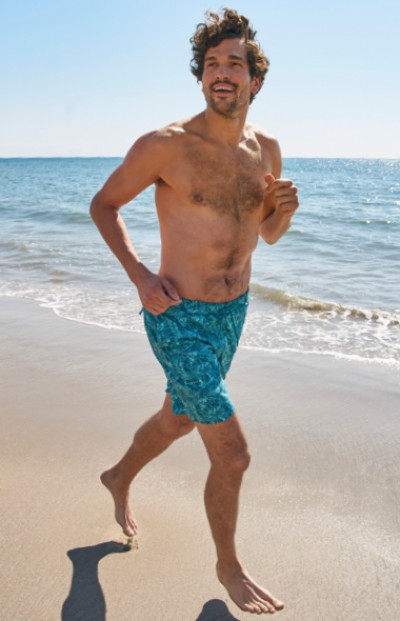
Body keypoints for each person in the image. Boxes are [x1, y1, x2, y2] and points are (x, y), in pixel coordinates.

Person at [90, 8, 298, 615]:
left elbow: (267, 235)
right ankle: (228, 567)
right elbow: (105, 205)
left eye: (235, 63)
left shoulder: (269, 151)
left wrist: (281, 207)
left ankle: (118, 476)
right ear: (201, 77)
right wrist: (140, 278)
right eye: (212, 64)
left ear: (255, 80)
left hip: (233, 314)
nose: (222, 73)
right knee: (232, 452)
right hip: (175, 314)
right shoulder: (166, 146)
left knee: (180, 418)